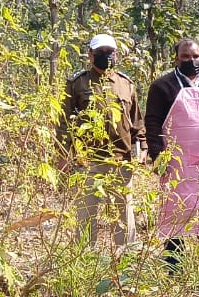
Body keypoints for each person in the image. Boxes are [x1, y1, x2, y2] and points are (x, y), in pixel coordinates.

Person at [144, 39, 199, 267]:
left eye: (195, 56)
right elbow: (152, 123)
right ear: (176, 59)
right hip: (176, 164)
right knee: (175, 211)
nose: (192, 60)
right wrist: (158, 158)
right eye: (186, 57)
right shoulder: (162, 86)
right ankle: (174, 264)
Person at [58, 33, 145, 248]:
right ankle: (85, 257)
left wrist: (143, 148)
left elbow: (136, 121)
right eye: (100, 52)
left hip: (121, 160)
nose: (106, 56)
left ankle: (125, 257)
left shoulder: (126, 84)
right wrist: (62, 155)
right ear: (90, 55)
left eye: (110, 52)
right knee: (86, 214)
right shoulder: (77, 83)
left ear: (116, 55)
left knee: (123, 213)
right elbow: (63, 123)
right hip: (87, 161)